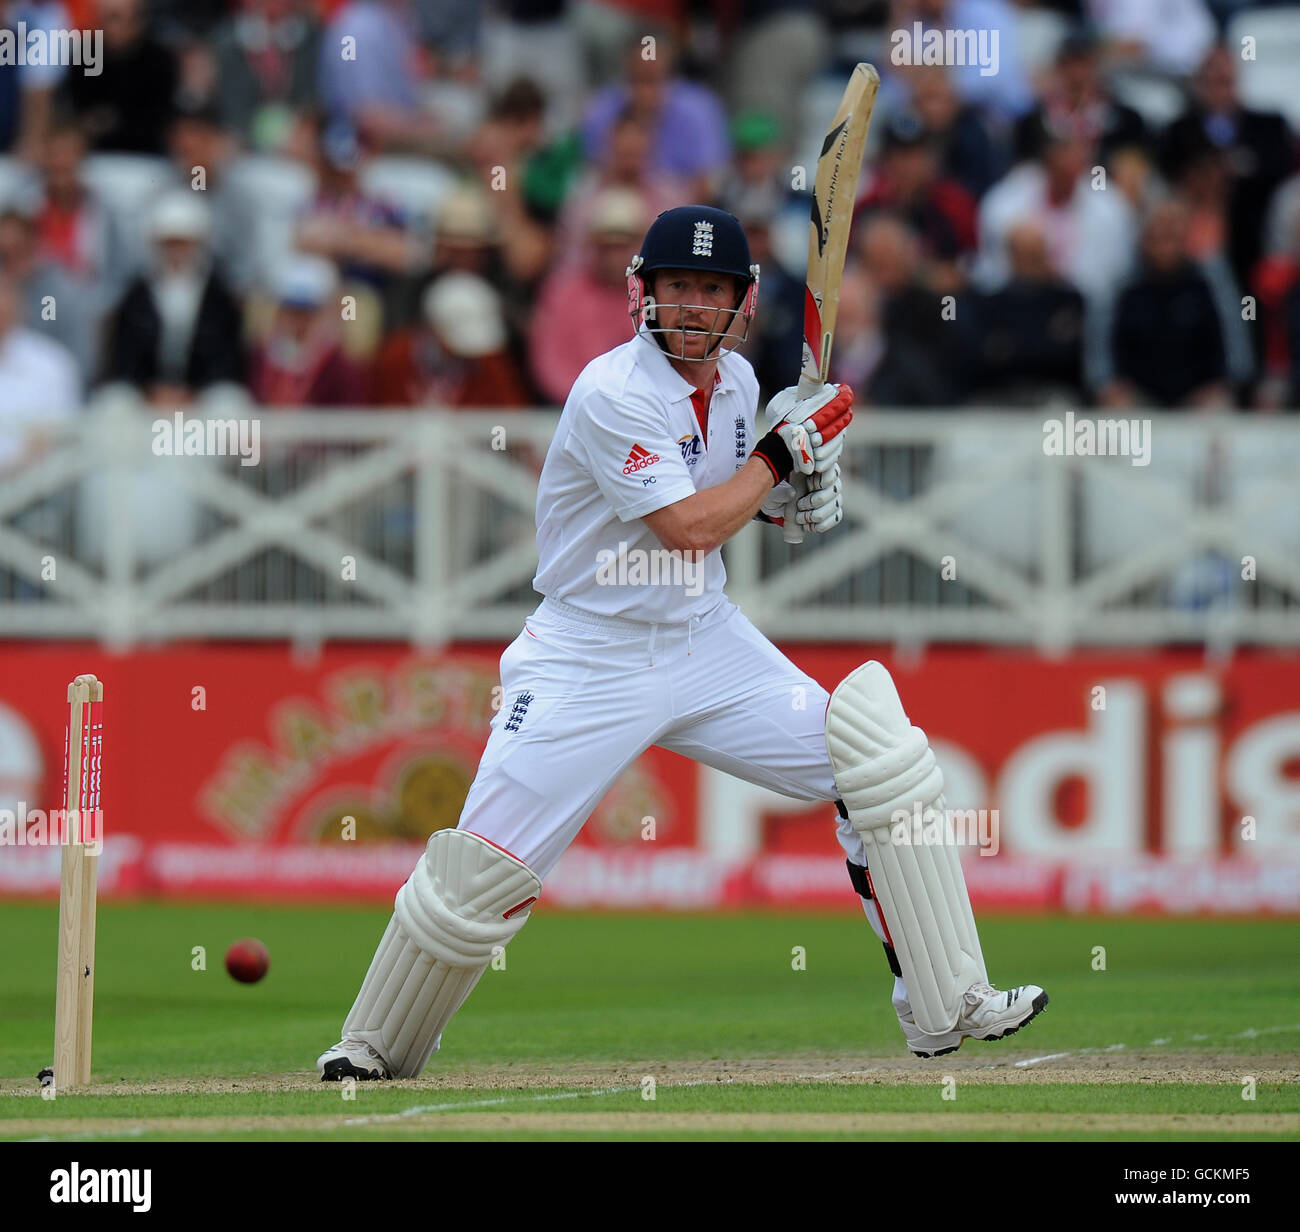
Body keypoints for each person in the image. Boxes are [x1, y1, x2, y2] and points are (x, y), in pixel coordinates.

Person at [315, 205, 1048, 1080]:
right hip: (587, 653)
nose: (693, 305)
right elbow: (692, 526)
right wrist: (778, 460)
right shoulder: (611, 392)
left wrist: (790, 492)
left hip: (704, 638)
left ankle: (946, 1004)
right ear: (644, 295)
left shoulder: (737, 384)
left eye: (711, 289)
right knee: (479, 873)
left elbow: (734, 507)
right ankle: (373, 1044)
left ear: (739, 302)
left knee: (876, 759)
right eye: (677, 287)